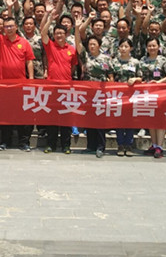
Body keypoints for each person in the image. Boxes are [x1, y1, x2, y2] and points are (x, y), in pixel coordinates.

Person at [0, 11, 35, 151]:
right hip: (4, 85)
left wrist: (31, 79)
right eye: (6, 26)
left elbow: (29, 61)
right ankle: (4, 142)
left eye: (11, 26)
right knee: (5, 115)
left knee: (22, 115)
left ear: (16, 27)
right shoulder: (1, 41)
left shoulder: (24, 43)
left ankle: (23, 142)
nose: (8, 29)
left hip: (21, 84)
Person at [41, 13, 78, 155]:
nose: (59, 35)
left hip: (67, 89)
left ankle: (66, 145)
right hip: (52, 88)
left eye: (61, 33)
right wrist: (50, 20)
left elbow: (73, 66)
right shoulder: (50, 46)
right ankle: (51, 145)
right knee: (52, 119)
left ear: (66, 34)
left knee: (66, 118)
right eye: (56, 33)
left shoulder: (71, 49)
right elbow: (43, 33)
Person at [75, 23, 113, 158]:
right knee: (89, 120)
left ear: (99, 45)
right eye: (90, 44)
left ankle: (100, 147)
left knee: (100, 121)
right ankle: (90, 146)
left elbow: (110, 76)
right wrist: (77, 28)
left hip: (101, 93)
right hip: (88, 93)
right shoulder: (85, 57)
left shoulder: (106, 59)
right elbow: (78, 43)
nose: (91, 46)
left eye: (94, 44)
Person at [140, 37, 166, 158]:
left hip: (161, 94)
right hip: (147, 94)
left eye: (154, 45)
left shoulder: (164, 60)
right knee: (151, 119)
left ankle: (160, 147)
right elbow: (140, 76)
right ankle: (154, 144)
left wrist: (159, 82)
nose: (152, 48)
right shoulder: (143, 60)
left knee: (160, 120)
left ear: (159, 47)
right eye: (149, 46)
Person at [111, 38, 142, 157]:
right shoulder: (114, 62)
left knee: (130, 120)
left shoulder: (135, 62)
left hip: (131, 95)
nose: (123, 49)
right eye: (121, 46)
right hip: (118, 95)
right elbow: (110, 76)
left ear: (131, 48)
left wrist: (135, 79)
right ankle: (120, 144)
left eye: (126, 46)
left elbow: (141, 78)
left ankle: (128, 144)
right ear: (118, 48)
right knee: (119, 120)